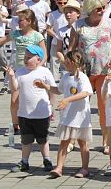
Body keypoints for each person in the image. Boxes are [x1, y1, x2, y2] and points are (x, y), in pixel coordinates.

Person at [68, 0, 111, 154]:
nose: (102, 11)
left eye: (103, 8)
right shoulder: (78, 25)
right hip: (84, 72)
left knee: (104, 107)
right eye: (98, 9)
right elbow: (72, 48)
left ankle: (106, 141)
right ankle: (72, 140)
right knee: (79, 106)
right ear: (90, 10)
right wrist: (73, 65)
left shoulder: (109, 23)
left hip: (105, 71)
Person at [36, 51, 93, 179]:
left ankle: (85, 168)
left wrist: (68, 100)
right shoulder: (66, 77)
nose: (64, 63)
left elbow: (86, 93)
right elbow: (58, 90)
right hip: (68, 116)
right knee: (64, 142)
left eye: (66, 61)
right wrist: (45, 86)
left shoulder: (82, 77)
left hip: (80, 117)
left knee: (82, 143)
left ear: (73, 63)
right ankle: (59, 167)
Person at [4, 45, 55, 173]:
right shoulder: (20, 72)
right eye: (25, 57)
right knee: (26, 140)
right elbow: (14, 88)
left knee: (43, 139)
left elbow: (52, 89)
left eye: (29, 57)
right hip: (24, 113)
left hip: (41, 113)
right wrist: (11, 76)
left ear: (38, 59)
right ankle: (24, 161)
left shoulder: (44, 72)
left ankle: (47, 160)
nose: (26, 59)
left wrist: (51, 105)